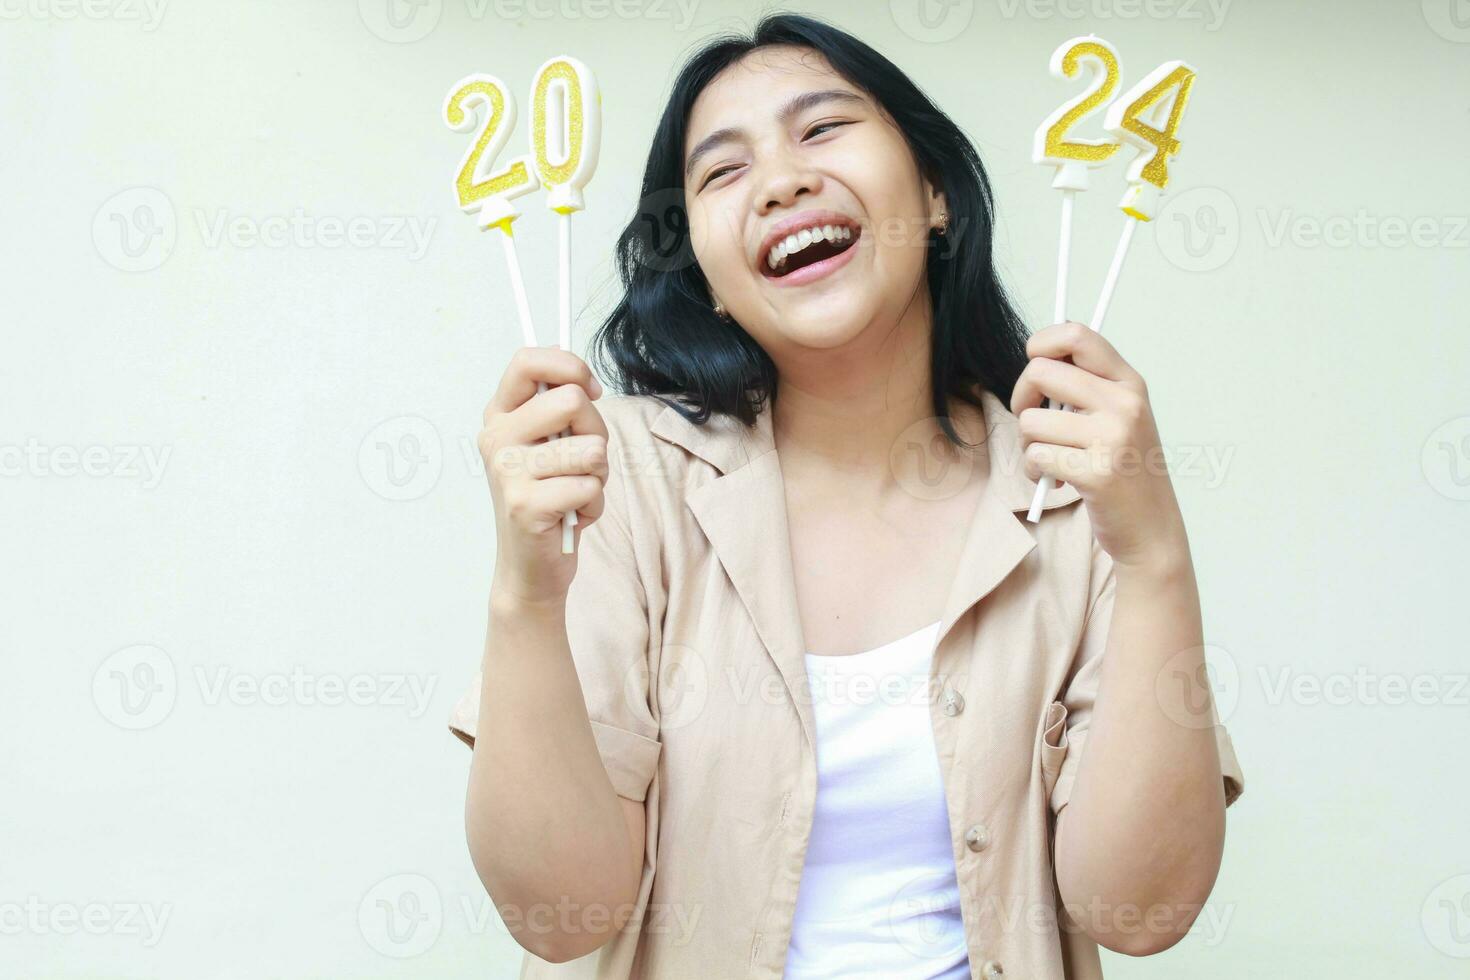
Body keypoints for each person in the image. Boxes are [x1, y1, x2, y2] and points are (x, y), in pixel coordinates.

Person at [449, 13, 1244, 979]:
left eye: (823, 129)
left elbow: (1144, 910)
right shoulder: (618, 474)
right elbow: (557, 915)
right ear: (701, 267)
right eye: (722, 172)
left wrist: (1156, 558)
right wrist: (525, 598)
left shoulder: (1072, 493)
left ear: (936, 193)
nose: (783, 180)